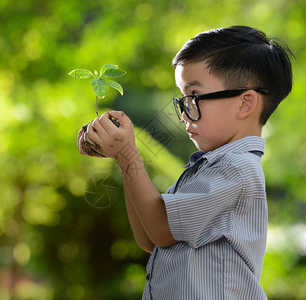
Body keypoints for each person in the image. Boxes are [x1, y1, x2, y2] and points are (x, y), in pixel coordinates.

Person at [77, 25, 293, 299]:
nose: (184, 114)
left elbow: (160, 229)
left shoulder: (236, 170)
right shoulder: (209, 167)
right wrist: (123, 158)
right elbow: (149, 238)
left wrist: (128, 154)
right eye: (182, 100)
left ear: (245, 104)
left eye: (194, 98)